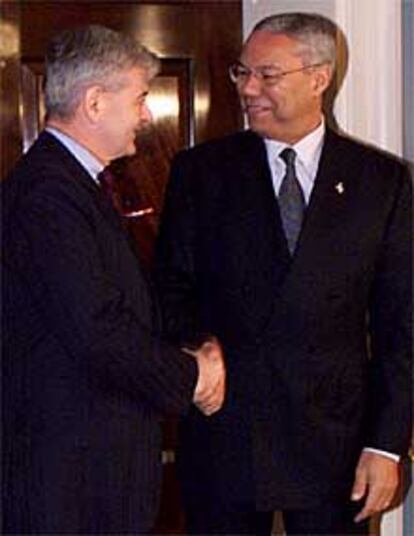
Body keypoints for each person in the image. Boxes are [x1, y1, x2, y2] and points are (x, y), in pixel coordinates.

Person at [155, 12, 412, 536]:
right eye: (241, 73)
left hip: (334, 446)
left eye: (267, 75)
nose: (249, 89)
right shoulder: (201, 172)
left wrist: (385, 444)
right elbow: (169, 292)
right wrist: (199, 349)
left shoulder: (380, 181)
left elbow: (400, 327)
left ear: (319, 77)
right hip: (225, 436)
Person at [2, 25, 225, 534]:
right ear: (96, 102)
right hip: (66, 487)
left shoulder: (73, 184)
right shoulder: (48, 197)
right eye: (140, 98)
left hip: (88, 478)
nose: (146, 116)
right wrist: (193, 378)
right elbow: (98, 330)